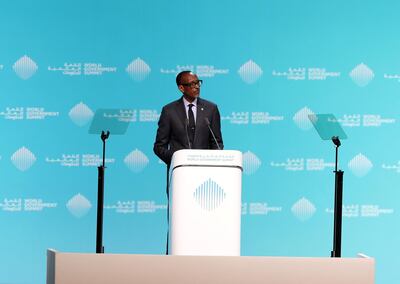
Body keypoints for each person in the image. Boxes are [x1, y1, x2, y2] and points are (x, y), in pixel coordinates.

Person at [154, 71, 224, 169]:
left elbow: (217, 143)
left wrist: (212, 163)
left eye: (198, 83)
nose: (197, 87)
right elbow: (159, 147)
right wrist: (176, 159)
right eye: (192, 84)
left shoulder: (211, 109)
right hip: (179, 171)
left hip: (205, 170)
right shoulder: (169, 111)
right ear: (181, 88)